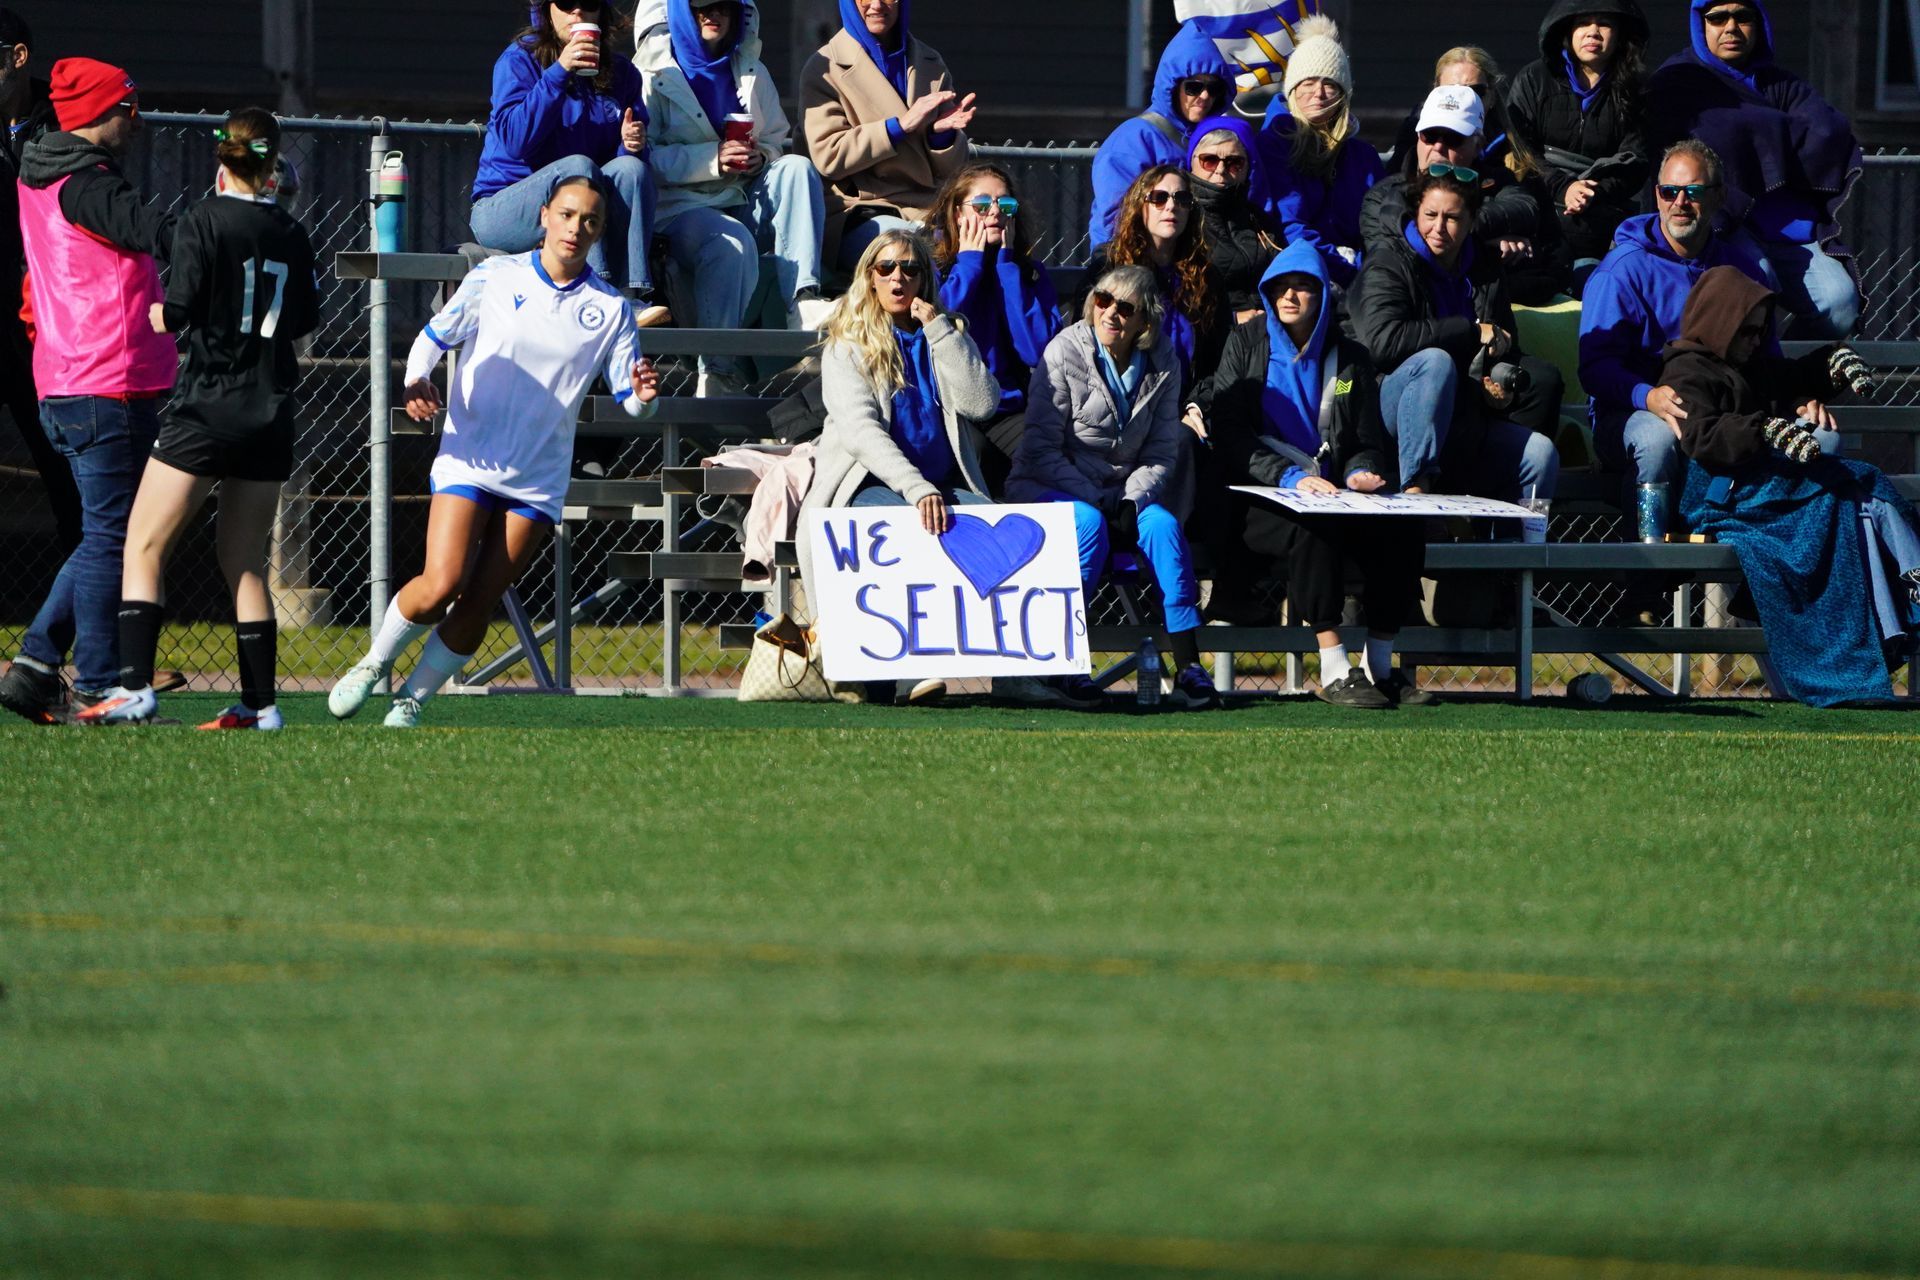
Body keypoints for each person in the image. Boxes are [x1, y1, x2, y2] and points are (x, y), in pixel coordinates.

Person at [328, 175, 662, 729]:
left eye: (590, 221)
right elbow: (434, 337)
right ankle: (373, 663)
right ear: (544, 217)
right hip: (470, 456)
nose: (576, 228)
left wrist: (647, 398)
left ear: (600, 231)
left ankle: (412, 700)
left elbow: (631, 402)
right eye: (567, 214)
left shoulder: (610, 308)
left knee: (481, 599)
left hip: (537, 477)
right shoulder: (495, 275)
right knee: (442, 582)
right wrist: (417, 381)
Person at [74, 110, 319, 730]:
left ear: (221, 164)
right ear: (269, 168)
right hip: (269, 412)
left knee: (144, 543)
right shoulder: (291, 232)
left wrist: (160, 317)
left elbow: (177, 309)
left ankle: (132, 689)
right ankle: (261, 706)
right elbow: (303, 319)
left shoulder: (200, 220)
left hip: (207, 406)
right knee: (244, 563)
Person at [0, 59, 176, 726]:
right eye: (130, 106)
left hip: (71, 377)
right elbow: (151, 231)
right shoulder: (87, 184)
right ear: (106, 111)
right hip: (103, 378)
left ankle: (40, 666)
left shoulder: (43, 171)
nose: (137, 117)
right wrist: (220, 234)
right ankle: (98, 682)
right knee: (111, 536)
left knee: (107, 531)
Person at [1661, 266, 1915, 705]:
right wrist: (1763, 430)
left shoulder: (1752, 365)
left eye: (1762, 331)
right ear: (1723, 322)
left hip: (1773, 487)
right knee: (1850, 492)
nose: (1757, 341)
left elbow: (1791, 377)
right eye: (1748, 332)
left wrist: (1832, 362)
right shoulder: (1687, 371)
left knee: (1860, 494)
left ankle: (1908, 587)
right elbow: (1702, 436)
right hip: (1727, 497)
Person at [1192, 244, 1429, 709]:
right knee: (1312, 527)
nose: (1290, 295)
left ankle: (1379, 667)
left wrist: (1362, 471)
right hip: (1256, 493)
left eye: (1303, 285)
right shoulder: (1246, 345)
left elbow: (1361, 434)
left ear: (1322, 294)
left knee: (1402, 527)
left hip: (1332, 491)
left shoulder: (1346, 362)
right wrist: (1287, 478)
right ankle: (1335, 668)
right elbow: (1232, 431)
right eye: (1281, 286)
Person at [796, 229, 1000, 703]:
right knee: (909, 527)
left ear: (924, 278)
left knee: (997, 527)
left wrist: (940, 332)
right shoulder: (847, 344)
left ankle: (1023, 677)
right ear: (869, 278)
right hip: (864, 485)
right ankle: (909, 673)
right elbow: (862, 433)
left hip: (938, 485)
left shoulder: (945, 334)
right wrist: (916, 489)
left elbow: (982, 404)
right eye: (886, 268)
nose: (898, 278)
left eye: (910, 269)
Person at [1008, 265, 1218, 710]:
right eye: (1103, 301)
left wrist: (1129, 498)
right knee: (1087, 525)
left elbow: (1162, 452)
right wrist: (1099, 499)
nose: (1110, 313)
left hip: (1122, 492)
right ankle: (1066, 666)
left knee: (1162, 526)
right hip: (1049, 484)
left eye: (1126, 307)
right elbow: (1041, 450)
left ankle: (1189, 667)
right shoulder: (1063, 351)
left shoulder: (1164, 361)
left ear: (1145, 320)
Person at [1579, 140, 1801, 509]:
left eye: (1694, 192)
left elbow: (1767, 360)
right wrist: (1646, 396)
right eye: (1669, 191)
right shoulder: (1621, 271)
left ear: (1718, 197)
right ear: (1657, 195)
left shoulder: (1742, 270)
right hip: (1632, 411)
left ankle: (1773, 551)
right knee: (1657, 439)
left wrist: (1798, 398)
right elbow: (1595, 369)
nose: (1679, 203)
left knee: (1822, 437)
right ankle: (1648, 559)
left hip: (1724, 412)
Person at [637, 0, 830, 394]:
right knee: (731, 243)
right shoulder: (652, 74)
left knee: (797, 169)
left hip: (742, 195)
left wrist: (763, 157)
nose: (713, 15)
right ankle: (717, 371)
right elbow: (643, 158)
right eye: (700, 8)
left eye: (723, 7)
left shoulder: (751, 70)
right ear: (679, 13)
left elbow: (777, 137)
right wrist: (712, 160)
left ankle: (804, 301)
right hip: (682, 208)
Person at [1647, 0, 1862, 338]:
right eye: (1717, 18)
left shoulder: (1778, 82)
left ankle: (1796, 377)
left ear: (1759, 23)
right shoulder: (1677, 79)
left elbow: (1828, 129)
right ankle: (1757, 384)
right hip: (1723, 223)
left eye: (1743, 16)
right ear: (1700, 24)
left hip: (1790, 230)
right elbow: (1713, 133)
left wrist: (1749, 130)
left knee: (1841, 304)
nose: (1731, 27)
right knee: (1754, 285)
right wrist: (1779, 129)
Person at [1348, 169, 1561, 503]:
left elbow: (1502, 340)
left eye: (1452, 218)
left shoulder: (1484, 267)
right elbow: (1381, 343)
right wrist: (1469, 330)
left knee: (1540, 452)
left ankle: (1517, 550)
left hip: (1462, 411)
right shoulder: (1388, 261)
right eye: (1430, 215)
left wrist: (1496, 379)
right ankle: (1418, 491)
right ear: (1416, 212)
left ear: (1471, 220)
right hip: (1388, 408)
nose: (1438, 227)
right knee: (1435, 362)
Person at [470, 0, 668, 325]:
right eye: (565, 3)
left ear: (601, 13)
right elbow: (515, 141)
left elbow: (622, 173)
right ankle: (595, 294)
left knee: (631, 169)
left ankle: (630, 296)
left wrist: (631, 146)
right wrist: (559, 73)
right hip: (503, 208)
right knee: (578, 169)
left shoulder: (622, 74)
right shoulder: (519, 60)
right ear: (547, 10)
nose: (577, 13)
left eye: (588, 4)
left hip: (577, 214)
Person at [801, 0, 975, 270]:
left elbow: (955, 172)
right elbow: (829, 154)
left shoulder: (930, 62)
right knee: (906, 254)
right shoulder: (824, 67)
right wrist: (898, 127)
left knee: (988, 249)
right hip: (862, 212)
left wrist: (940, 138)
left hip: (929, 210)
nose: (877, 5)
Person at [1368, 80, 1570, 305]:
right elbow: (1394, 254)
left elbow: (1526, 209)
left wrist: (1459, 235)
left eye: (1453, 138)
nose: (1438, 147)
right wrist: (1481, 246)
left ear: (1479, 144)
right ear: (1417, 137)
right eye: (1430, 135)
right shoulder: (1384, 193)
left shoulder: (1499, 181)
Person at [928, 163, 1059, 491]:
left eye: (1006, 205)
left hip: (1007, 408)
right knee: (979, 456)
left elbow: (1036, 350)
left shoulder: (1028, 273)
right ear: (958, 214)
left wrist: (1007, 270)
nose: (996, 212)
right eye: (983, 205)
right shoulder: (933, 268)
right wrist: (969, 266)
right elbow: (933, 328)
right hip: (950, 407)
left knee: (1044, 458)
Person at [0, 8, 76, 552]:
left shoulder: (61, 118)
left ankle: (80, 623)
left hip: (42, 329)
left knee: (65, 476)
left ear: (17, 57)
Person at [1503, 0, 1650, 275]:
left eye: (1604, 24)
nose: (1593, 32)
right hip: (1537, 209)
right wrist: (1564, 187)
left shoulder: (1636, 89)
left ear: (1620, 35)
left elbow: (1637, 160)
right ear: (1567, 31)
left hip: (1602, 218)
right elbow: (1520, 151)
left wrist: (1593, 191)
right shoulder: (1534, 79)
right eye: (1583, 23)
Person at [1256, 14, 1381, 290]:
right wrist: (1345, 268)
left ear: (1343, 94)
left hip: (1362, 284)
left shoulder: (1363, 157)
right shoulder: (1272, 145)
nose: (1319, 93)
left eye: (1330, 84)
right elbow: (1289, 225)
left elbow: (1379, 229)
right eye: (1308, 82)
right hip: (1298, 279)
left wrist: (1366, 270)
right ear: (1293, 89)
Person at [1088, 21, 1234, 251]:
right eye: (1194, 87)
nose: (1205, 96)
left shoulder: (1219, 140)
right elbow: (1115, 218)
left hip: (1193, 263)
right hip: (1135, 262)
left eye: (1214, 89)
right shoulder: (1134, 138)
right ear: (1173, 86)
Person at [1081, 165, 1229, 393]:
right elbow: (1085, 340)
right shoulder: (1110, 266)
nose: (1171, 206)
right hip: (1119, 399)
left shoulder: (1205, 277)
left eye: (1182, 198)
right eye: (1159, 198)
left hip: (1185, 404)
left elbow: (1217, 359)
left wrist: (1197, 405)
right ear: (1140, 205)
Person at [1185, 115, 1278, 322]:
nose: (1220, 170)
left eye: (1234, 162)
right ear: (1192, 163)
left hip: (1267, 329)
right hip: (1210, 336)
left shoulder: (1258, 218)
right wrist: (1232, 317)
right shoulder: (1180, 216)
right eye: (1209, 160)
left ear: (1247, 168)